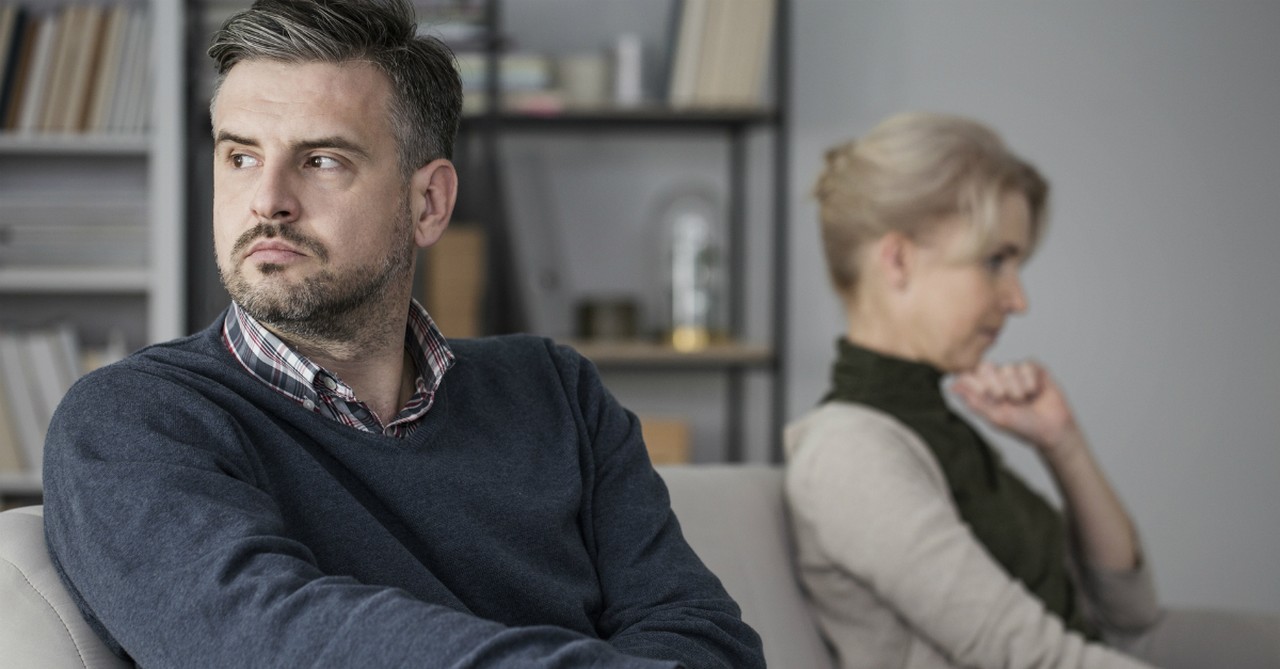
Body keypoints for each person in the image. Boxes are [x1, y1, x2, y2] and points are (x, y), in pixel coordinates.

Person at [40, 2, 764, 667]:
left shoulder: (555, 391)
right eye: (241, 156)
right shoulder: (133, 419)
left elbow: (706, 638)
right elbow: (261, 640)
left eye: (322, 160)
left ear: (429, 202)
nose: (268, 200)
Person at [786, 111, 1280, 669]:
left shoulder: (940, 433)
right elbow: (1033, 659)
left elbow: (1129, 615)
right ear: (897, 259)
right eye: (995, 261)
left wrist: (1062, 443)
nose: (1018, 300)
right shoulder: (852, 453)